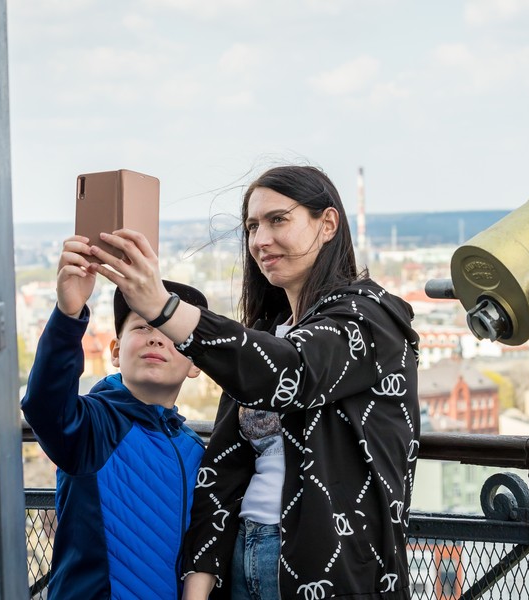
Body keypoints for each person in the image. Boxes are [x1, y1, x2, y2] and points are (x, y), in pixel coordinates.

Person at [87, 165, 422, 599]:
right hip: (244, 559)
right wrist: (198, 586)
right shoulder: (267, 332)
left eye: (278, 220)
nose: (261, 239)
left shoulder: (369, 319)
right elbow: (224, 469)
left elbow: (291, 372)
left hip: (334, 571)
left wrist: (162, 308)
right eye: (251, 226)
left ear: (327, 224)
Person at [21, 236, 208, 599]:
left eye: (170, 332)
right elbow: (44, 405)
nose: (156, 339)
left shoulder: (195, 450)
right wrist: (68, 314)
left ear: (195, 364)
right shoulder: (92, 426)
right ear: (117, 352)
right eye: (142, 327)